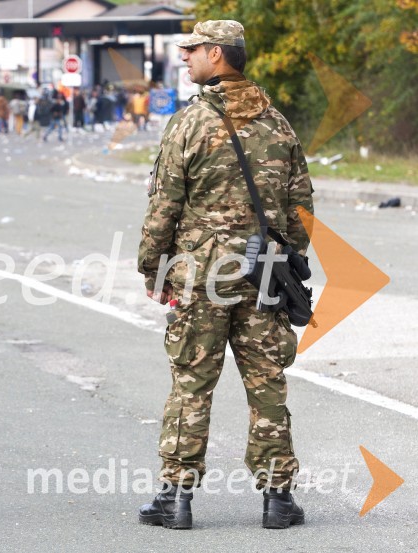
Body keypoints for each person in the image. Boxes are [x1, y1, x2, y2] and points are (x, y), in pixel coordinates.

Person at [136, 20, 313, 530]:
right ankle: (278, 499)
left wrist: (154, 268)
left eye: (192, 50)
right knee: (267, 386)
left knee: (191, 384)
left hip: (201, 279)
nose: (184, 56)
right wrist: (285, 262)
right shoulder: (278, 123)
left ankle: (175, 498)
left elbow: (163, 206)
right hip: (263, 278)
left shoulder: (189, 124)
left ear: (217, 54)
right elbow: (301, 206)